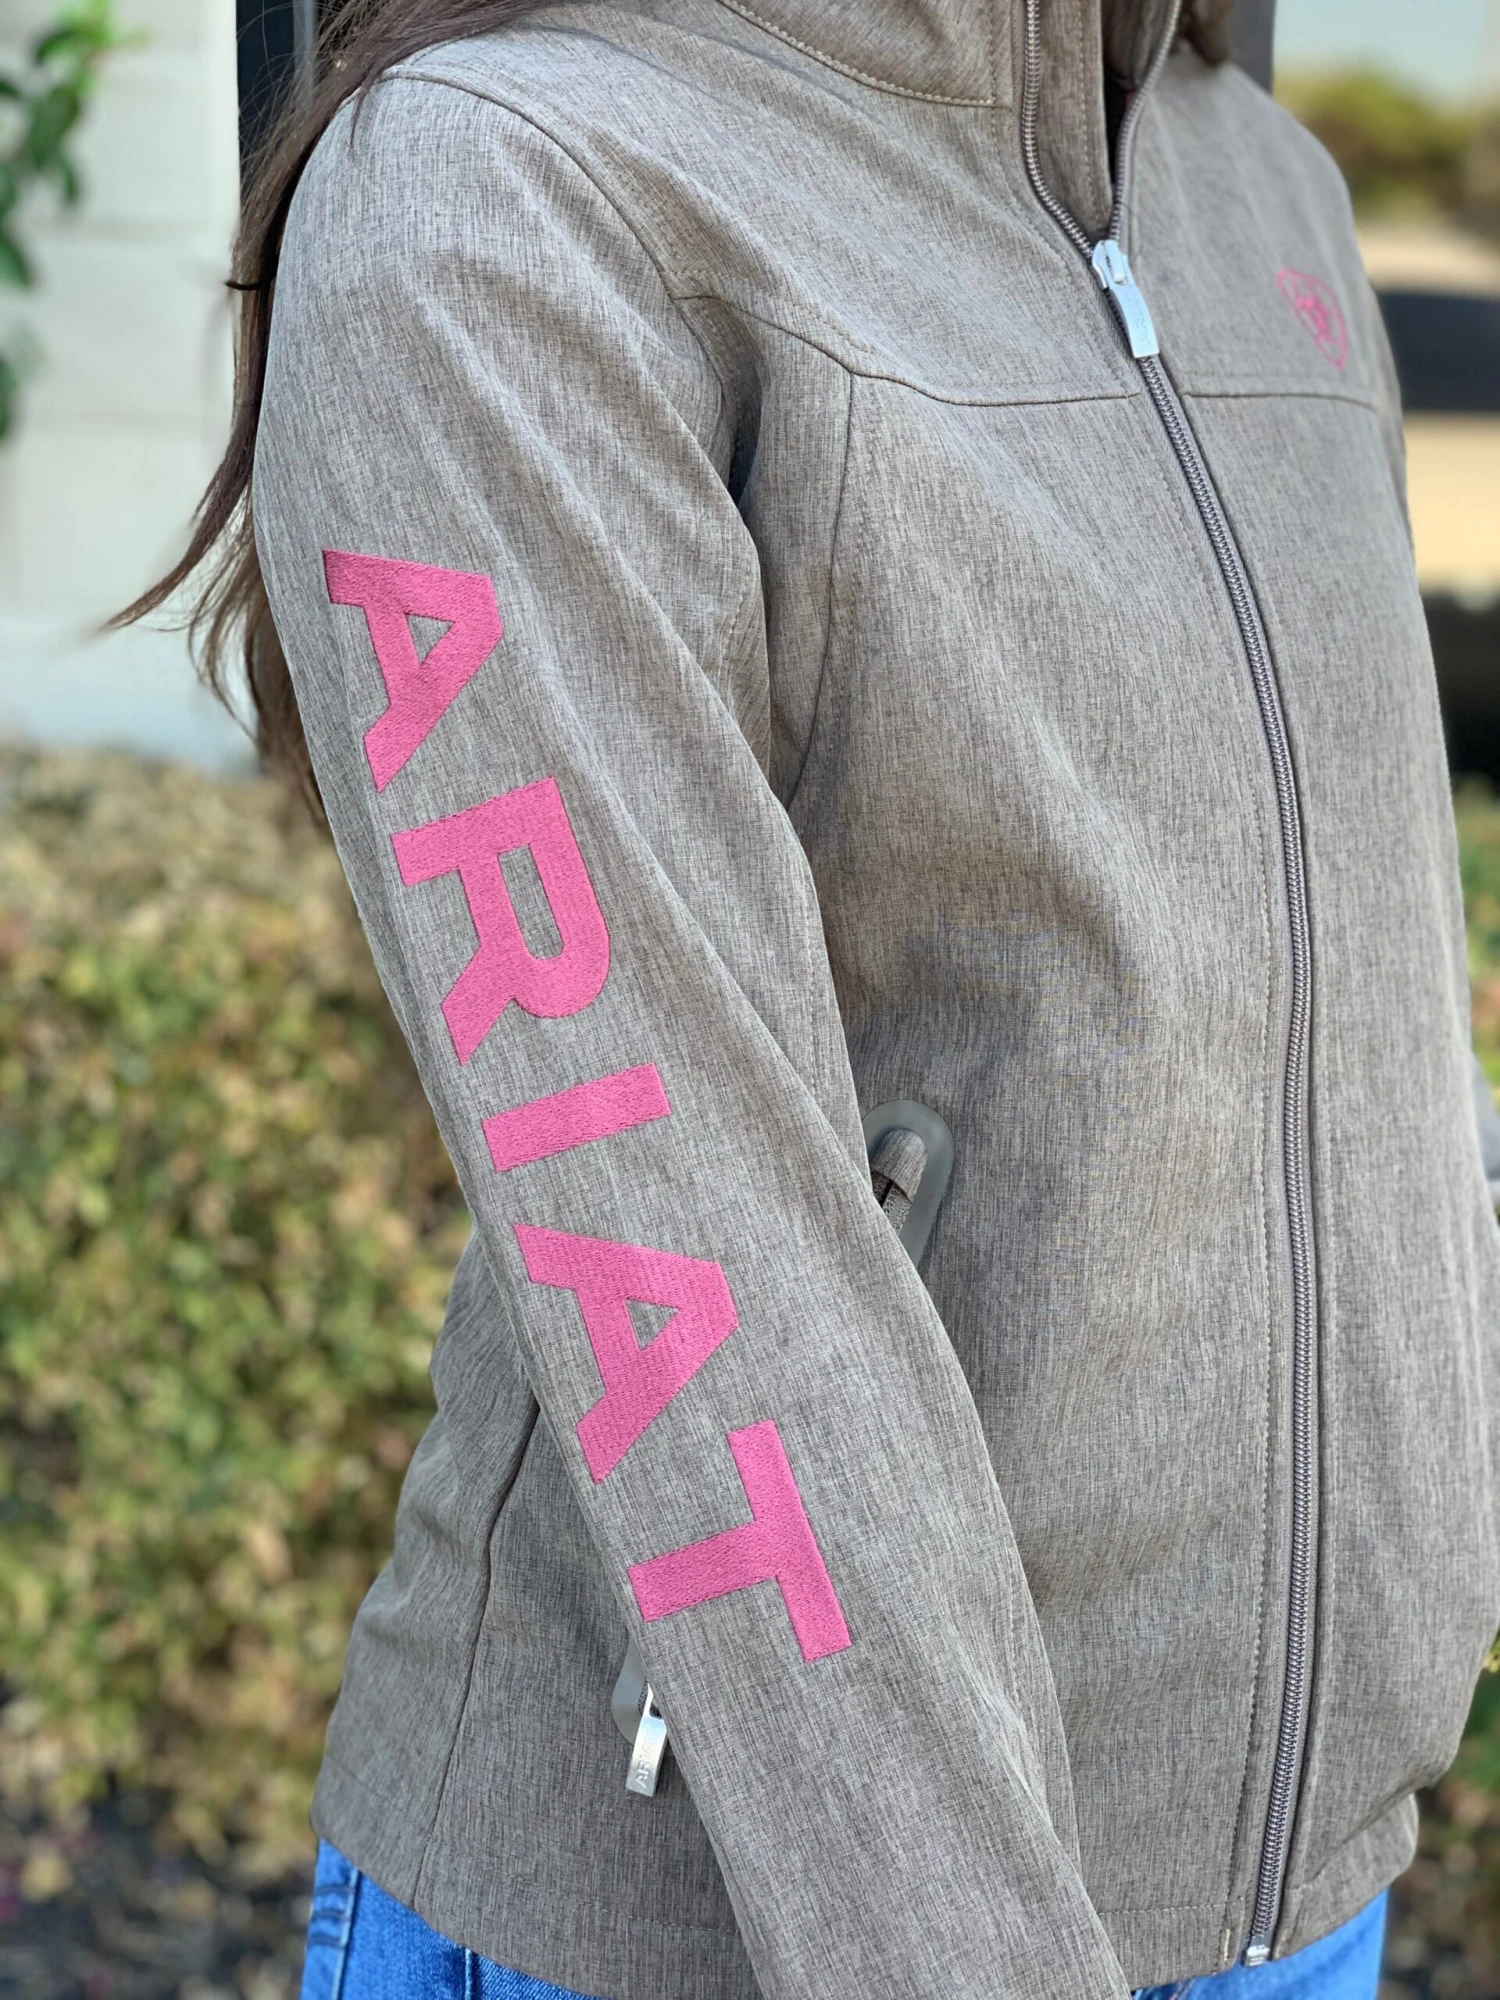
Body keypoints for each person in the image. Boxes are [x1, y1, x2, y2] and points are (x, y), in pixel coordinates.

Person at [127, 0, 1500, 1995]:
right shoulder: (508, 188)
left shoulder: (1252, 177)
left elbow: (1356, 1013)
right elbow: (682, 1252)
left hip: (1296, 1896)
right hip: (768, 1930)